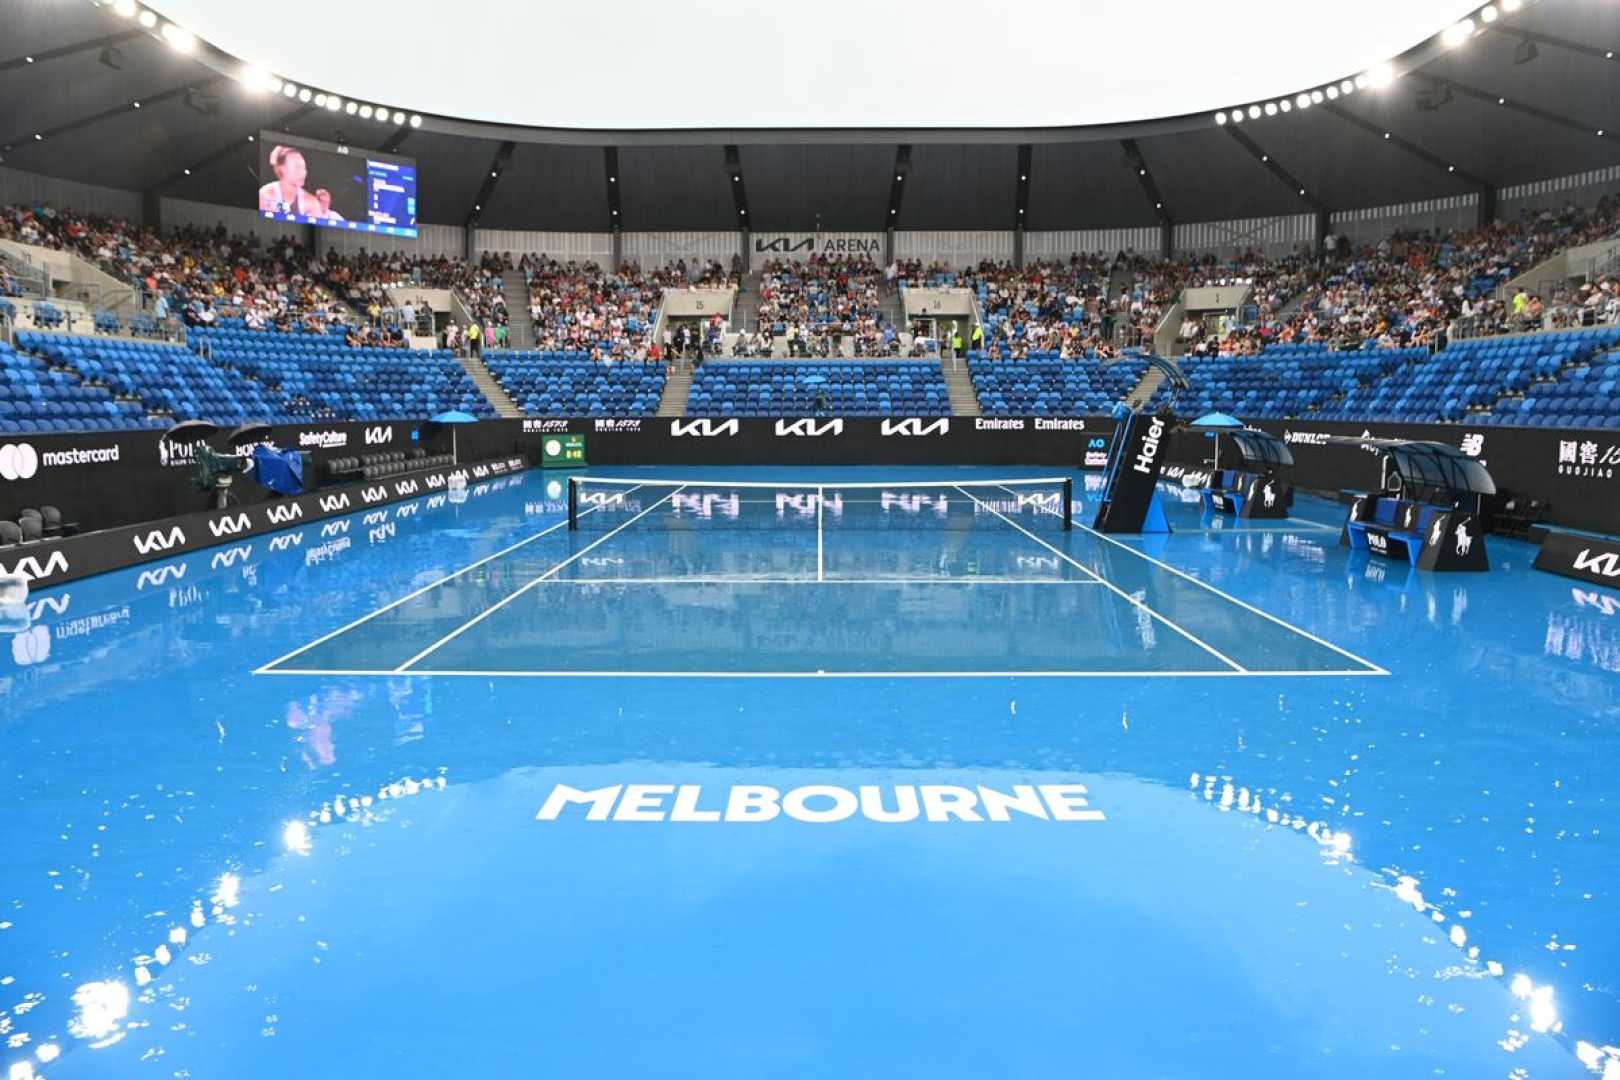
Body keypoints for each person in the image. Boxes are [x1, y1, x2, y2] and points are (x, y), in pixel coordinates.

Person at [258, 146, 322, 217]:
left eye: (304, 167)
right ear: (283, 169)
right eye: (297, 167)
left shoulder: (312, 203)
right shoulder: (265, 195)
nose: (303, 172)